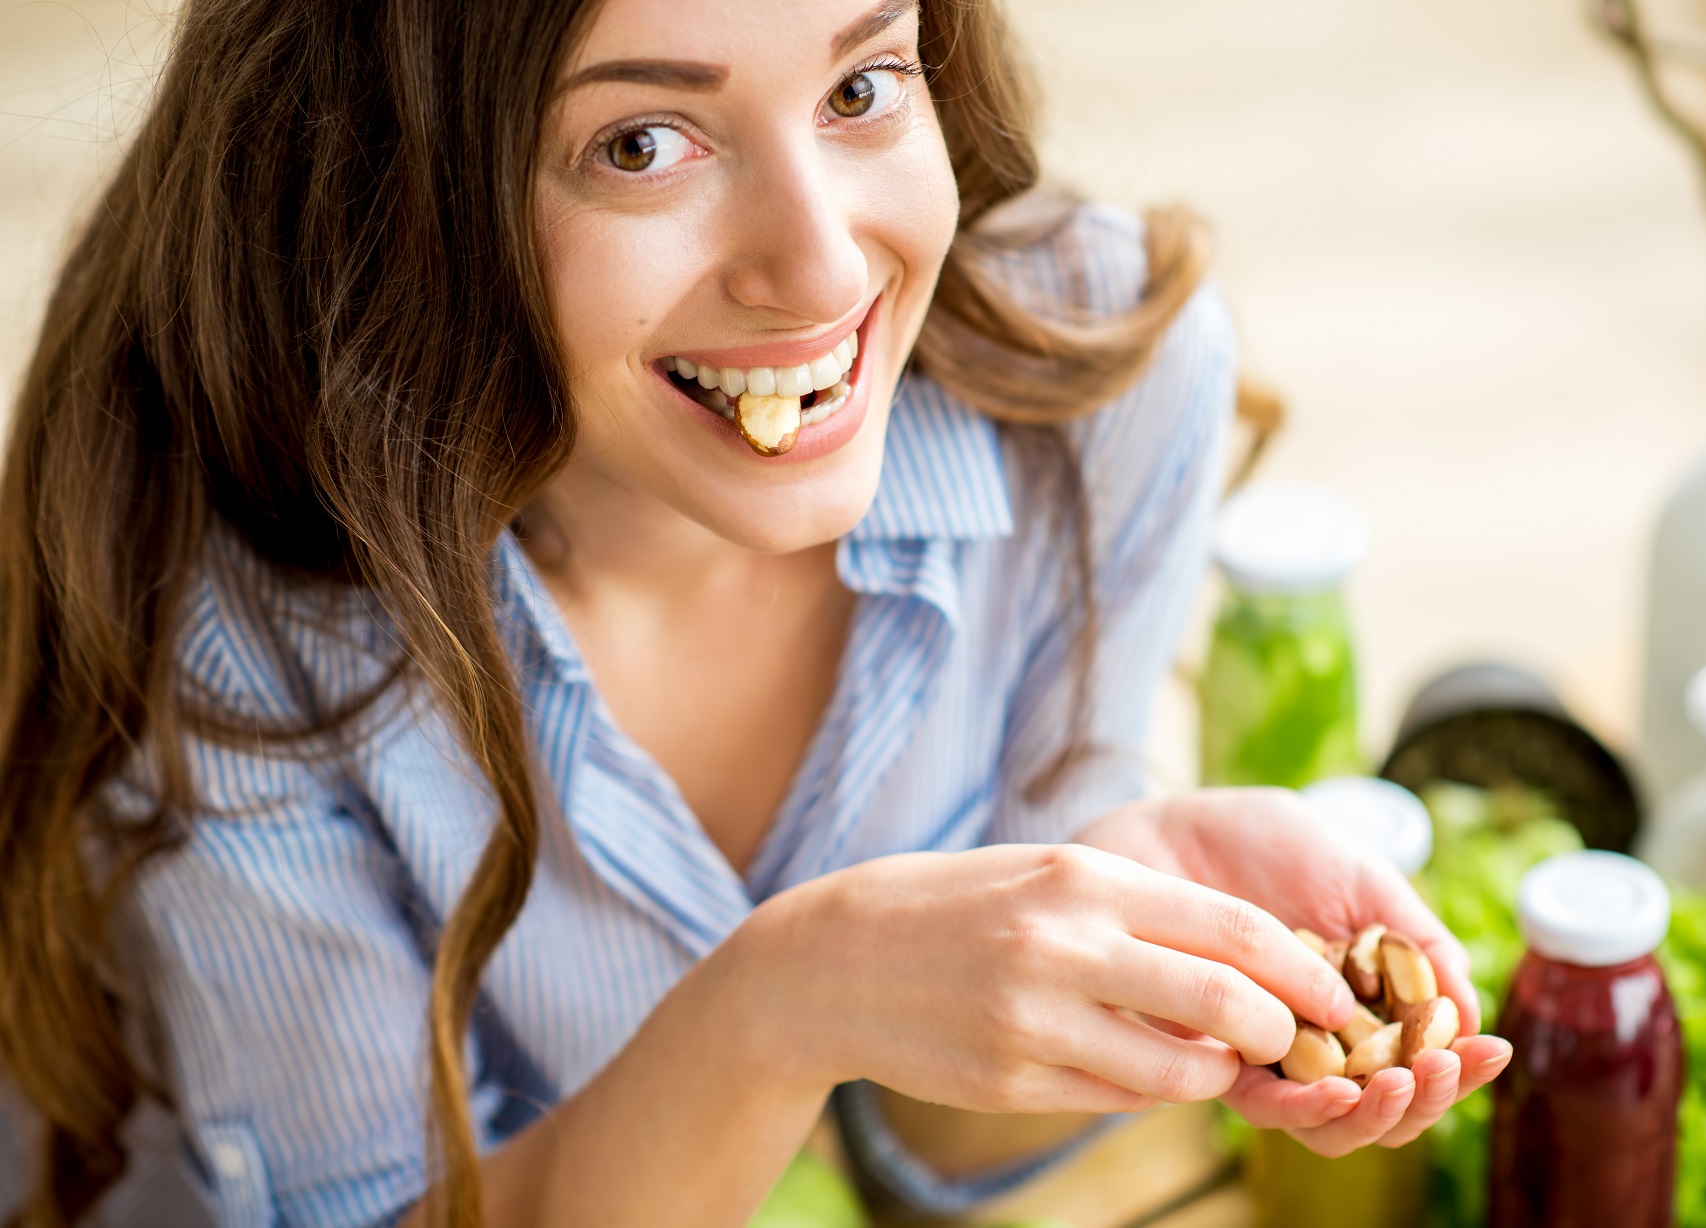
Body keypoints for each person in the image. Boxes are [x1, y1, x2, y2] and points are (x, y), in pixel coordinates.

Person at [0, 0, 1512, 1224]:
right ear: (391, 192)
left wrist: (1086, 906)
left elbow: (936, 1158)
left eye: (861, 87)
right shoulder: (228, 620)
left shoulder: (1100, 390)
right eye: (642, 141)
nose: (820, 265)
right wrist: (790, 999)